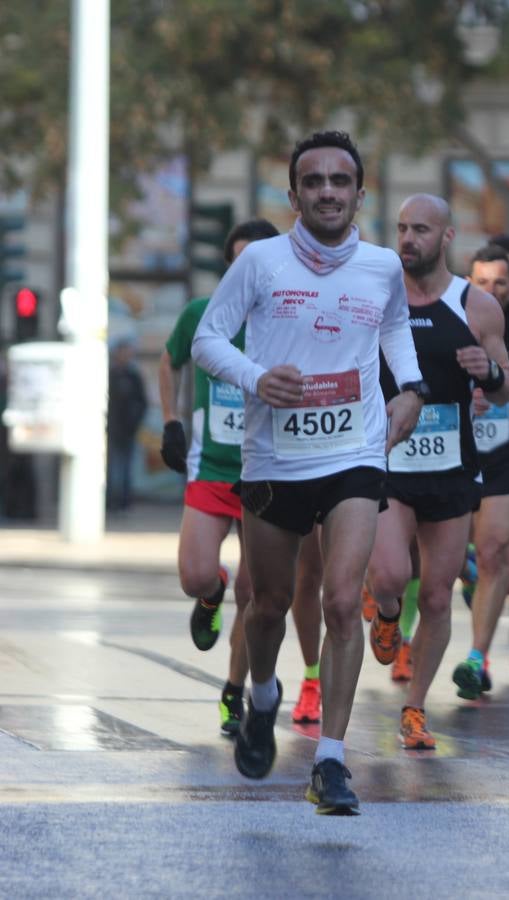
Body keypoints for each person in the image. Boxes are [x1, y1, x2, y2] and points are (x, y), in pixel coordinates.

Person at [193, 131, 425, 815]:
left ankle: (330, 760)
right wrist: (256, 378)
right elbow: (208, 339)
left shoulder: (383, 266)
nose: (328, 191)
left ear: (360, 194)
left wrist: (412, 389)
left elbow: (394, 330)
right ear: (293, 195)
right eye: (314, 181)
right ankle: (263, 694)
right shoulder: (259, 262)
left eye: (340, 180)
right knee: (267, 605)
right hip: (275, 456)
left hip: (355, 451)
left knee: (342, 600)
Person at [160, 217, 325, 734]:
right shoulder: (202, 313)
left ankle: (234, 689)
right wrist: (171, 421)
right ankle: (211, 594)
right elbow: (170, 361)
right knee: (194, 575)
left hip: (268, 471)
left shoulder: (293, 317)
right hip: (212, 466)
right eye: (238, 261)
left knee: (256, 597)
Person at [364, 194, 509, 750]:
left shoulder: (477, 306)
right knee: (389, 576)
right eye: (402, 228)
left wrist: (489, 371)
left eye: (421, 229)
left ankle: (415, 707)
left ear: (447, 236)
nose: (408, 239)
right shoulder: (378, 297)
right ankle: (385, 611)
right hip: (388, 459)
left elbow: (506, 387)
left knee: (436, 596)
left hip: (451, 466)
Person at [450, 244, 509, 699]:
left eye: (500, 282)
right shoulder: (447, 324)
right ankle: (464, 571)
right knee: (450, 560)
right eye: (482, 281)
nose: (491, 290)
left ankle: (476, 658)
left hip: (502, 460)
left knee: (493, 555)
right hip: (452, 460)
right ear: (468, 282)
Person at [107, 336, 147, 513]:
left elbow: (142, 402)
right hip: (112, 430)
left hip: (128, 430)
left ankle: (123, 501)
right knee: (112, 467)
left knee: (125, 467)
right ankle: (111, 501)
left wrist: (135, 421)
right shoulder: (109, 374)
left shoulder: (133, 376)